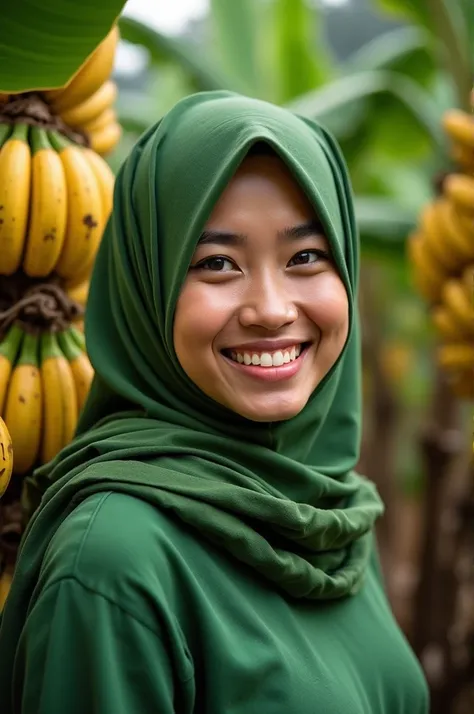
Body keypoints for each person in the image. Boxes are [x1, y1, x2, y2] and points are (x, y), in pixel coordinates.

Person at [0, 91, 429, 713]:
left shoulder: (326, 511)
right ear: (149, 287)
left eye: (305, 257)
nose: (272, 310)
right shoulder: (115, 564)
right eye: (218, 263)